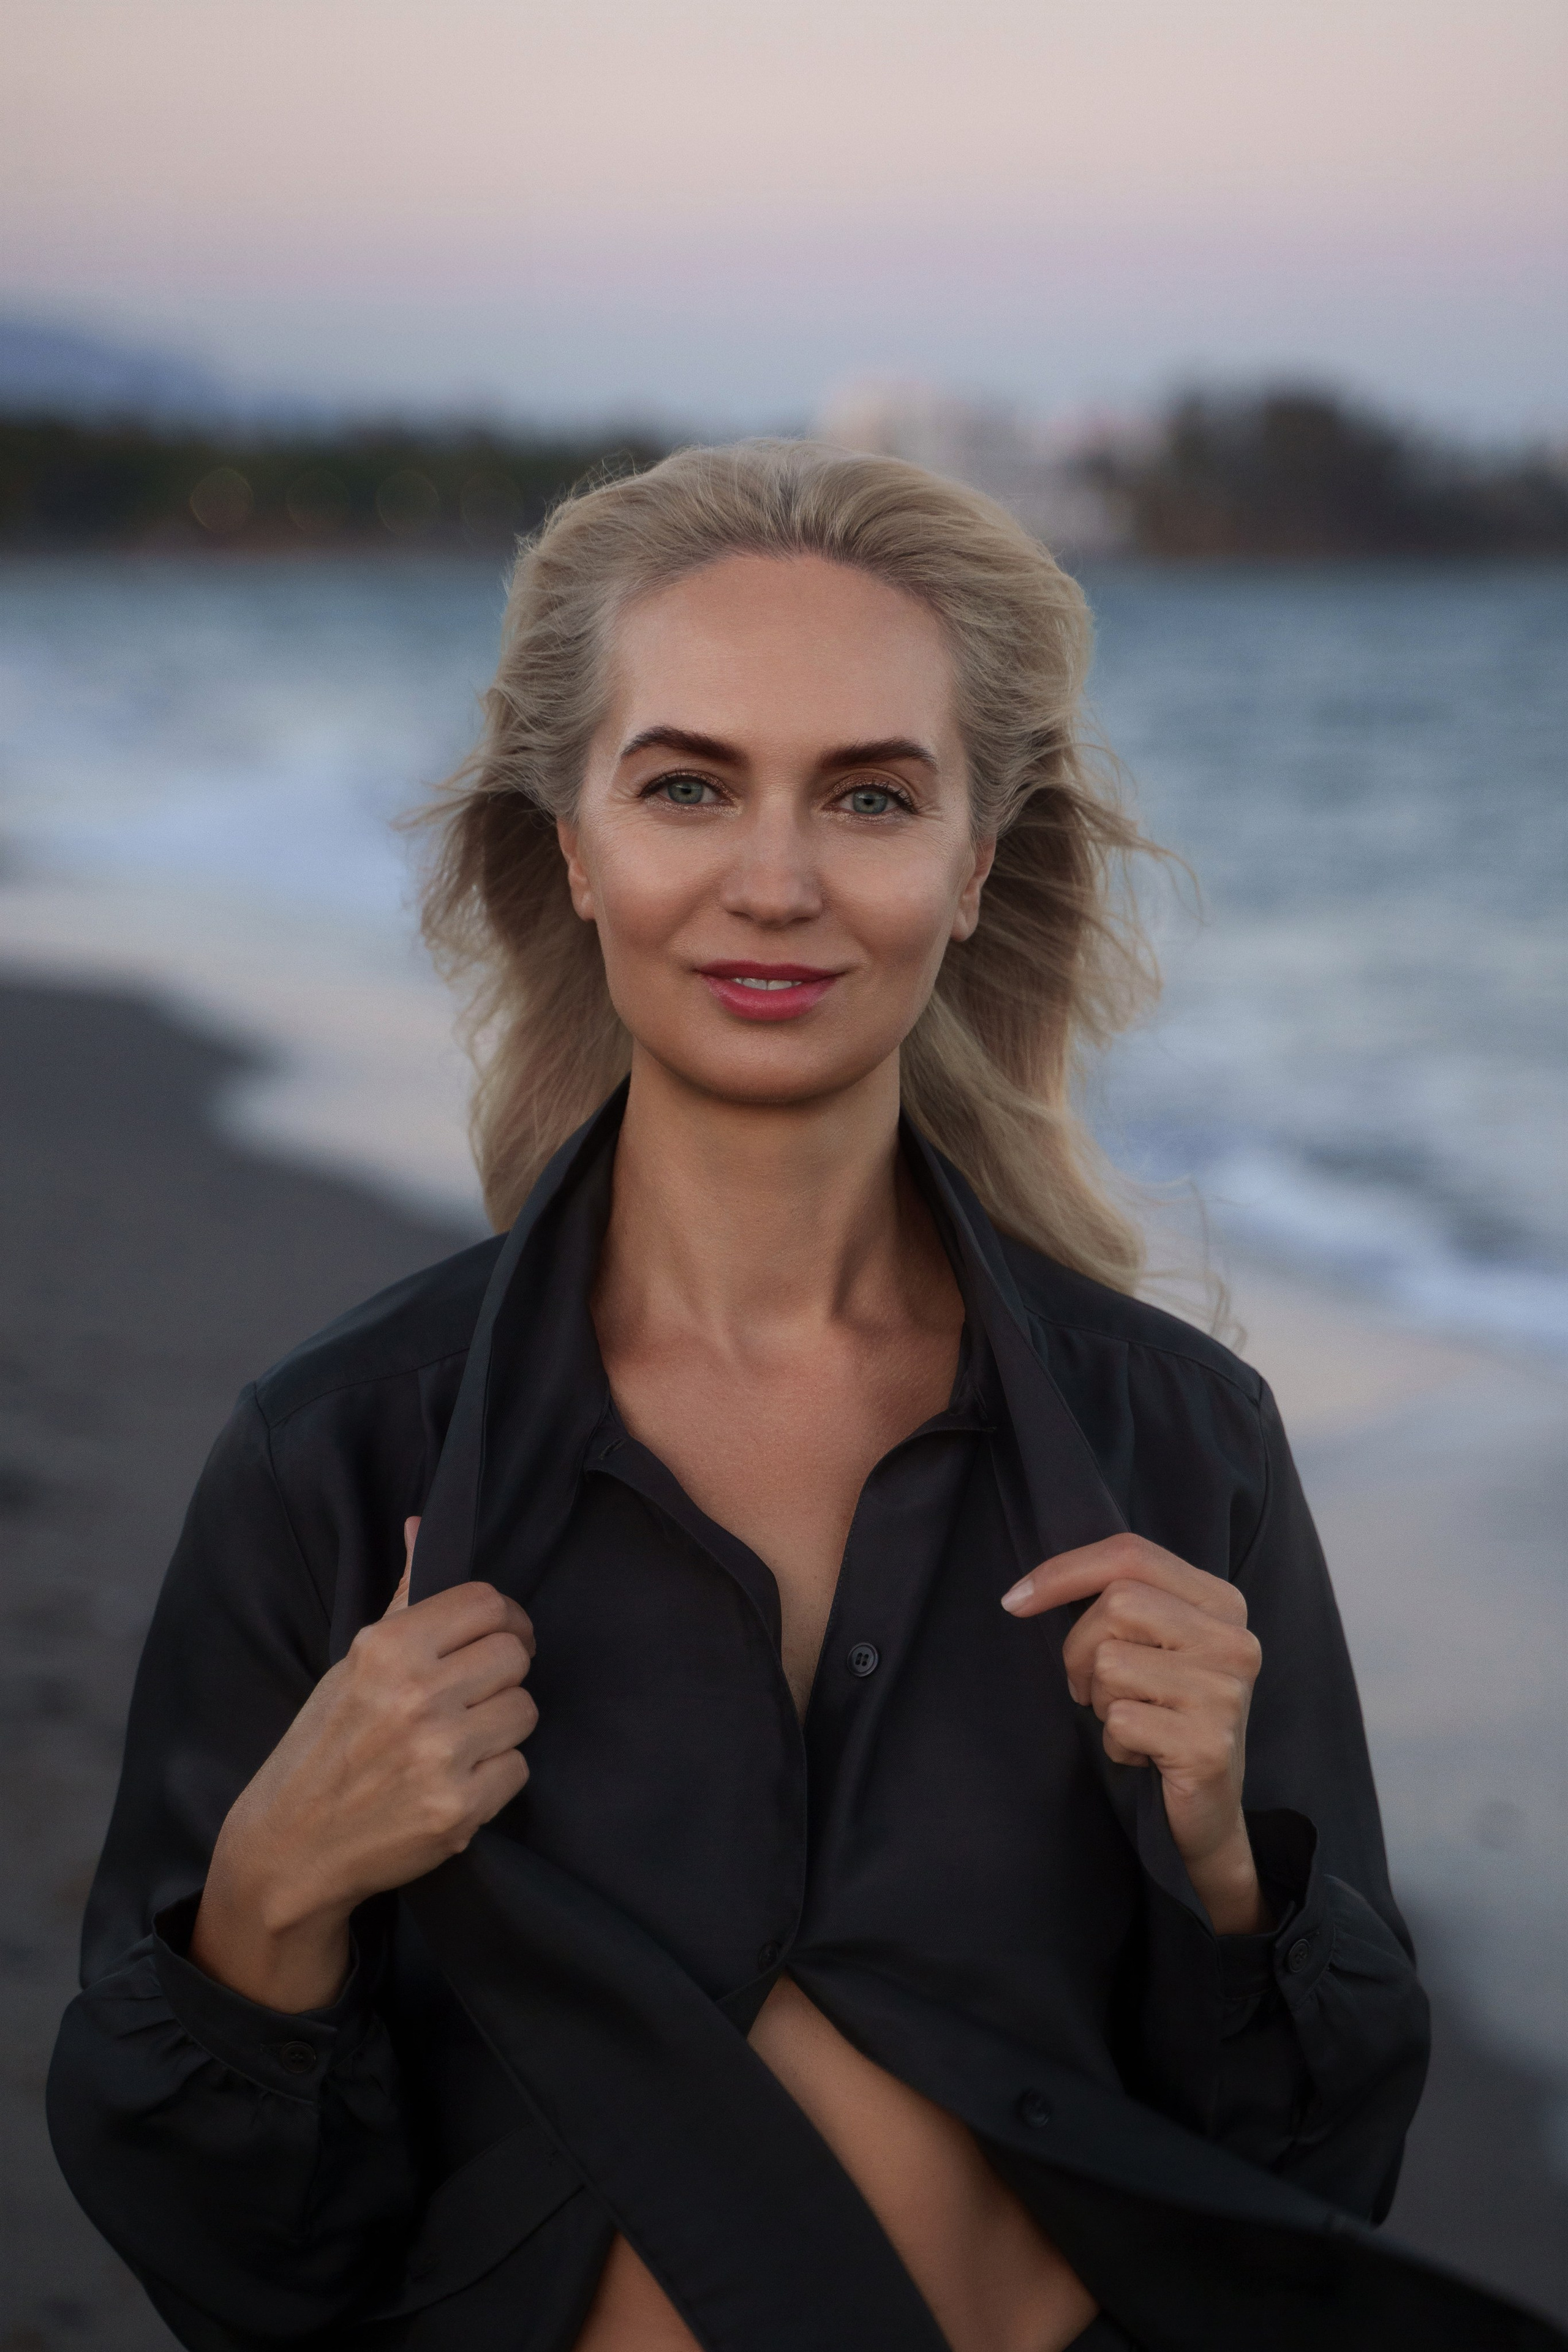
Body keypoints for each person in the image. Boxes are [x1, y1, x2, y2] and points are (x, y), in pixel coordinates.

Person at [47, 442, 1541, 2352]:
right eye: (688, 786)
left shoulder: (1179, 1451)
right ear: (577, 843)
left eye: (868, 795)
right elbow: (246, 2272)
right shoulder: (336, 1456)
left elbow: (1314, 2175)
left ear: (974, 855)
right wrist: (270, 1900)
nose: (776, 883)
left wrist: (1232, 1869)